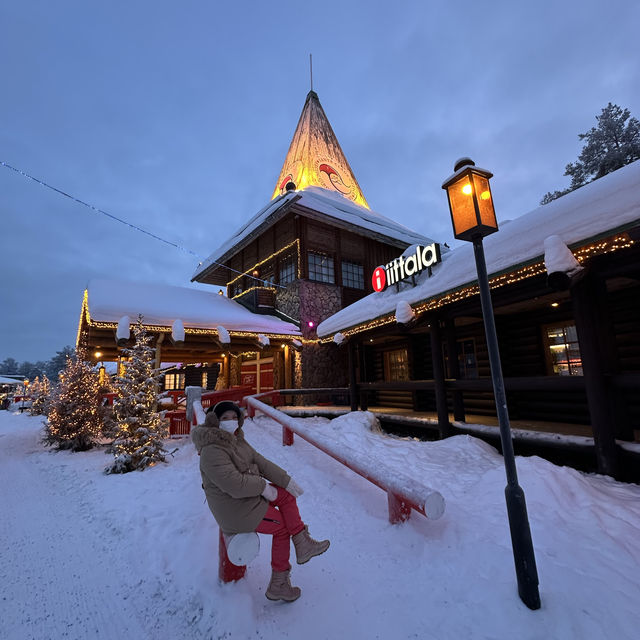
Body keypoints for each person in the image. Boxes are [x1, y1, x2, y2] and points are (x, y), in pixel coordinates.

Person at [191, 400, 330, 602]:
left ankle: (303, 543)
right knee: (282, 527)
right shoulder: (212, 450)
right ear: (215, 422)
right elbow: (234, 485)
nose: (230, 422)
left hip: (247, 498)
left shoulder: (237, 439)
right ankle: (279, 584)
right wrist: (264, 487)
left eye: (233, 417)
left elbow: (259, 461)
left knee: (286, 495)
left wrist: (285, 480)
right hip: (235, 509)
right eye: (224, 418)